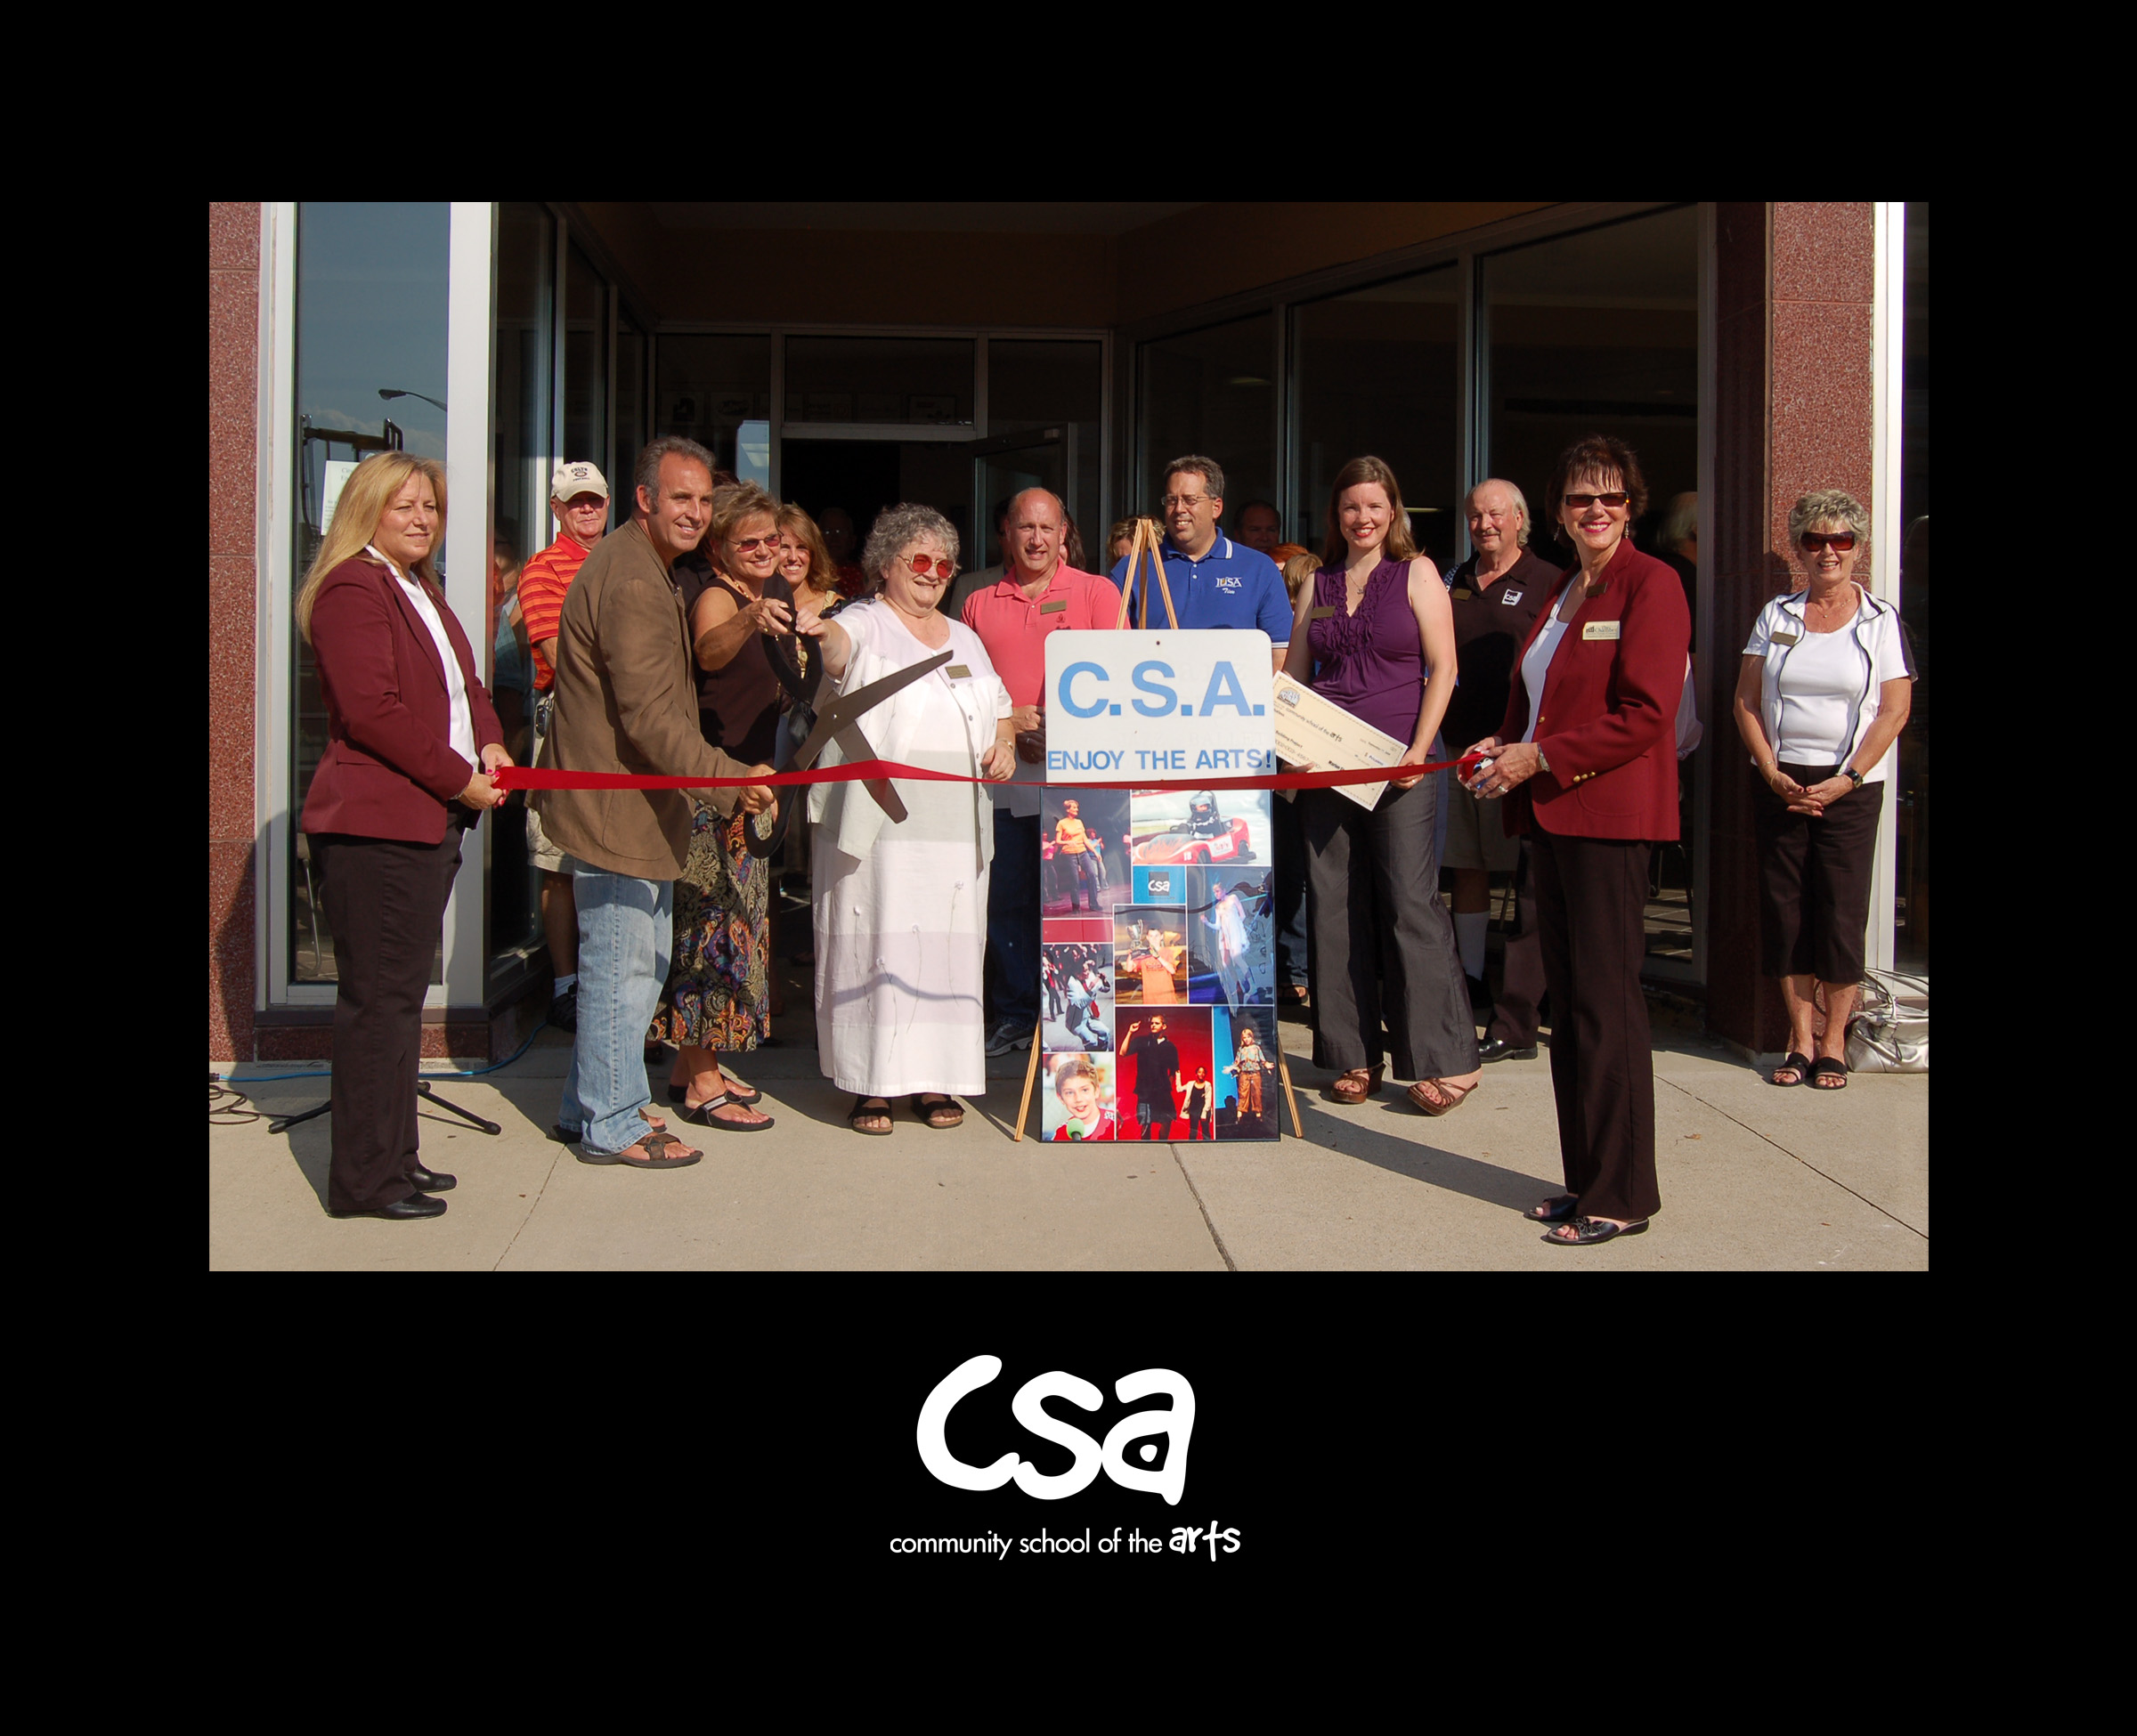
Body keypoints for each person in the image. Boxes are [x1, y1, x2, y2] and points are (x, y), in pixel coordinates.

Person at [1464, 434, 1690, 1246]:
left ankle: (1625, 1194)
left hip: (1609, 819)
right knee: (1572, 1008)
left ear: (1632, 507)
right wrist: (1502, 743)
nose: (1596, 511)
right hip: (1552, 818)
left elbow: (1646, 715)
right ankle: (1586, 1180)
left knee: (1606, 1008)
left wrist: (1542, 756)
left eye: (1612, 499)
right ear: (1558, 513)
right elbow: (1542, 702)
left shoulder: (1651, 584)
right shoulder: (1565, 591)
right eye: (1580, 499)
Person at [535, 437, 778, 1169]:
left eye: (705, 501)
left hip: (636, 807)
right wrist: (729, 779)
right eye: (681, 498)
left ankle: (586, 1109)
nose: (696, 514)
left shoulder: (645, 566)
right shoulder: (637, 579)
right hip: (617, 811)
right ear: (644, 499)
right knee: (622, 971)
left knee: (632, 969)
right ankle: (612, 1122)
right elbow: (649, 717)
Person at [297, 453, 511, 1220]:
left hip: (427, 820)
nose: (421, 519)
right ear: (367, 510)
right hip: (377, 825)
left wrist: (489, 742)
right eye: (404, 505)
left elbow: (468, 688)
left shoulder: (419, 586)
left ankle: (396, 1158)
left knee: (397, 1005)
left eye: (430, 507)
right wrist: (460, 777)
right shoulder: (354, 585)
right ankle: (365, 1181)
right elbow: (371, 712)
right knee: (379, 1008)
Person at [792, 504, 1017, 1135]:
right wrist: (819, 631)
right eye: (919, 560)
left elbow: (997, 705)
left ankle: (935, 1080)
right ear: (886, 565)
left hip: (953, 836)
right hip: (880, 836)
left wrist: (1001, 744)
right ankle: (872, 1087)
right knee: (879, 951)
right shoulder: (862, 622)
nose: (933, 573)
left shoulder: (964, 637)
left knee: (944, 955)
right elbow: (839, 654)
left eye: (945, 564)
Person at [1284, 457, 1480, 1115]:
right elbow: (1297, 679)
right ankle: (1351, 1053)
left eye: (1374, 506)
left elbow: (1444, 668)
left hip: (1403, 765)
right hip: (1327, 768)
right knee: (1332, 904)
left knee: (1409, 903)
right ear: (1335, 515)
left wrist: (1418, 751)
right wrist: (1294, 750)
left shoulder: (1418, 573)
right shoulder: (1319, 582)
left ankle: (1446, 1059)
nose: (1362, 519)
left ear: (1393, 511)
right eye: (1349, 508)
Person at [1733, 488, 1913, 1091]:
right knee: (1784, 912)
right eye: (1815, 541)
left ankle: (1835, 1040)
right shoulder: (1776, 615)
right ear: (1800, 549)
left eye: (1841, 540)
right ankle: (1799, 1039)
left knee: (1838, 911)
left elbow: (1893, 711)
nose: (1828, 552)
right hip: (1782, 779)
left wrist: (1847, 779)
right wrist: (1768, 768)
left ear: (1858, 548)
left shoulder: (1881, 620)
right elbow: (1745, 700)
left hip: (1851, 785)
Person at [960, 487, 1122, 1057]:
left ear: (1063, 533)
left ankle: (1077, 1020)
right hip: (1005, 774)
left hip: (1077, 781)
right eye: (1025, 528)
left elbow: (1117, 680)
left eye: (1047, 529)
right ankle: (1013, 1013)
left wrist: (1061, 724)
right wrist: (1009, 719)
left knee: (1074, 903)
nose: (1036, 539)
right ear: (1005, 531)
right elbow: (963, 685)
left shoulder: (1098, 593)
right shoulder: (978, 602)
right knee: (1006, 899)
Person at [650, 482, 789, 1130]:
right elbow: (709, 651)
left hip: (755, 783)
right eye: (749, 542)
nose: (764, 551)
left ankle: (688, 1064)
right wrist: (745, 619)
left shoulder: (771, 595)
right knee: (710, 933)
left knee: (741, 929)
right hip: (715, 791)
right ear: (720, 548)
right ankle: (703, 1080)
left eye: (772, 541)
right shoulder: (716, 596)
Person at [1441, 479, 1556, 1059]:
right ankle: (1469, 976)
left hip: (1519, 754)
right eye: (1475, 516)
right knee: (1467, 864)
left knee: (1531, 882)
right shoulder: (1454, 581)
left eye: (1495, 515)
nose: (1485, 525)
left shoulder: (1549, 581)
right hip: (1459, 748)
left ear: (1519, 520)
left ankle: (1532, 995)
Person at [517, 460, 612, 1033]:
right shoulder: (542, 570)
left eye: (594, 500)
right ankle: (565, 984)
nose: (586, 510)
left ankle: (607, 981)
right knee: (558, 862)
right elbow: (559, 656)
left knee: (612, 856)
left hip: (624, 727)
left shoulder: (630, 561)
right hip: (567, 723)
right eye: (575, 501)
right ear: (556, 509)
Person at [1113, 458, 1293, 669]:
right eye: (1171, 500)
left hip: (1234, 700)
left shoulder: (1259, 569)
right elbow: (1109, 649)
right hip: (1156, 698)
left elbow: (1281, 654)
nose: (1179, 509)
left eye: (1190, 500)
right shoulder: (1132, 568)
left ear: (1216, 507)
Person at [1120, 1015, 1181, 1140]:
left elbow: (1173, 1071)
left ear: (1164, 1026)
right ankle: (1147, 1150)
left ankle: (1163, 1147)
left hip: (1162, 1092)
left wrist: (1167, 1087)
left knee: (1167, 1120)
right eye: (1152, 1023)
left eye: (1156, 1023)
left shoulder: (1170, 1047)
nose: (1153, 1025)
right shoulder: (1143, 1041)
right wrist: (1130, 1032)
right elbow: (1123, 1052)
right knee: (1145, 1123)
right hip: (1144, 1091)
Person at [1052, 797, 1103, 913]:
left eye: (1077, 808)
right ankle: (1076, 907)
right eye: (1074, 808)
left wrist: (1095, 852)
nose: (1077, 810)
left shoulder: (1079, 822)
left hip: (1083, 852)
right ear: (1068, 810)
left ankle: (1094, 904)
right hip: (1069, 854)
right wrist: (1068, 842)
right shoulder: (1062, 823)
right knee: (1075, 881)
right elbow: (1058, 841)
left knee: (1092, 875)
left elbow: (1085, 839)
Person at [1051, 1055, 1117, 1141]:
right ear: (1060, 1098)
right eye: (1070, 1093)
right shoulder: (1061, 1133)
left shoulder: (1116, 1123)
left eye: (1084, 1090)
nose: (1078, 1099)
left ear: (1096, 1091)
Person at [818, 507, 870, 599]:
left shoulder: (866, 576)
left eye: (841, 532)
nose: (834, 538)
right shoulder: (810, 574)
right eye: (827, 532)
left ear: (853, 541)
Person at [1225, 1025, 1267, 1121]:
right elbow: (1237, 1062)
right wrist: (1232, 1068)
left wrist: (1266, 1064)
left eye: (1248, 1037)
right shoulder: (1241, 1050)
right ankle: (1239, 1114)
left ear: (1252, 1037)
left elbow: (1262, 1060)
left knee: (1256, 1092)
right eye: (1244, 1038)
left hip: (1255, 1073)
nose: (1247, 1039)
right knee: (1243, 1093)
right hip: (1244, 1074)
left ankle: (1258, 1114)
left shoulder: (1256, 1048)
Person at [1180, 1066, 1214, 1139]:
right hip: (1194, 1111)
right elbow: (1179, 1089)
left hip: (1204, 1111)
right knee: (1193, 1132)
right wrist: (1178, 1075)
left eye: (1203, 1072)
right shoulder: (1190, 1084)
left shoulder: (1207, 1085)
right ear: (1196, 1074)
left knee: (1206, 1132)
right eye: (1199, 1072)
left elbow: (1208, 1100)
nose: (1201, 1074)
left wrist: (1204, 1113)